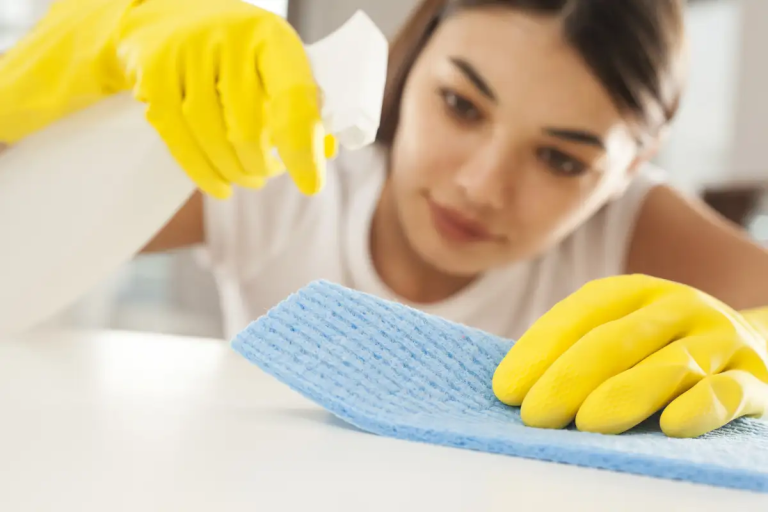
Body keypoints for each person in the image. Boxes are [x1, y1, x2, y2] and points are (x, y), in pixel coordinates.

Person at [2, 0, 767, 438]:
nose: (480, 186)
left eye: (561, 160)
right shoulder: (287, 167)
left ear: (632, 165)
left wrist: (755, 343)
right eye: (460, 105)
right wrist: (89, 53)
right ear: (411, 63)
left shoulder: (632, 228)